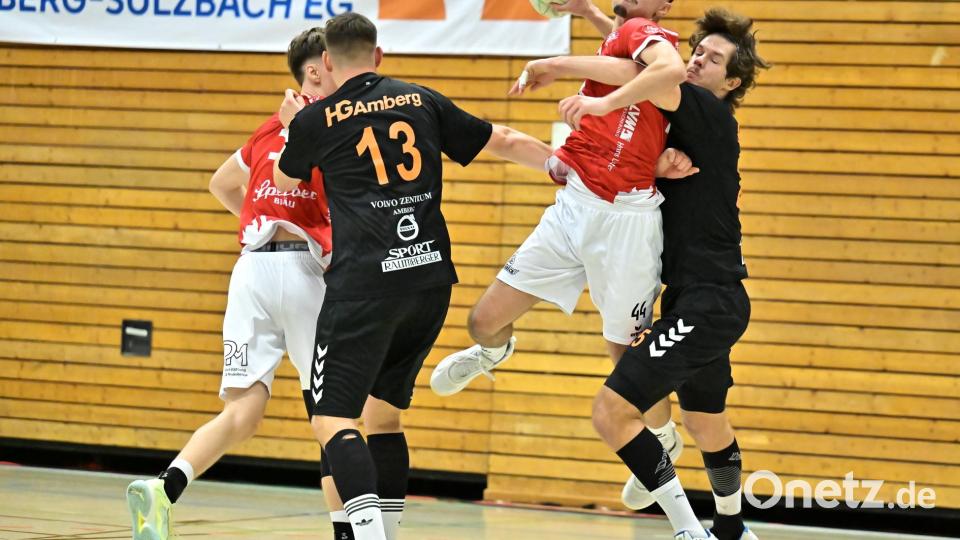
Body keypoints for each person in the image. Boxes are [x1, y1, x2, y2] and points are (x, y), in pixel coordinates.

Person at [272, 12, 556, 540]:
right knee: (384, 419)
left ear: (327, 62)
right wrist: (565, 169)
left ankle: (369, 535)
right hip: (428, 282)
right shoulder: (420, 99)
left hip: (363, 288)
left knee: (332, 418)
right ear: (378, 56)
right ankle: (389, 531)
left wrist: (296, 125)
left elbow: (283, 177)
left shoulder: (317, 119)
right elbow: (508, 139)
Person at [124, 27, 361, 540]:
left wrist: (257, 220)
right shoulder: (330, 127)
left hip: (251, 268)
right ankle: (347, 532)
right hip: (304, 273)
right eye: (335, 64)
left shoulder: (264, 132)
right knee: (333, 414)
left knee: (243, 410)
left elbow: (220, 183)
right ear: (317, 69)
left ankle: (166, 486)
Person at [429, 0, 688, 465]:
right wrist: (585, 10)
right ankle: (493, 353)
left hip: (626, 221)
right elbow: (623, 46)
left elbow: (665, 69)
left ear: (665, 6)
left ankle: (664, 437)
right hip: (572, 207)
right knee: (482, 322)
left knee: (628, 359)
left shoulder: (650, 42)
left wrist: (591, 95)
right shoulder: (623, 36)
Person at [565, 6, 771, 540]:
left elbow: (639, 66)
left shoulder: (705, 110)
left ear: (732, 82)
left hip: (707, 302)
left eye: (712, 58)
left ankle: (687, 529)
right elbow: (634, 50)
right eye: (697, 51)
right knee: (705, 421)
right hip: (700, 299)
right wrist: (588, 10)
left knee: (612, 412)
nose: (696, 60)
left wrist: (585, 93)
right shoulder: (688, 108)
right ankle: (732, 529)